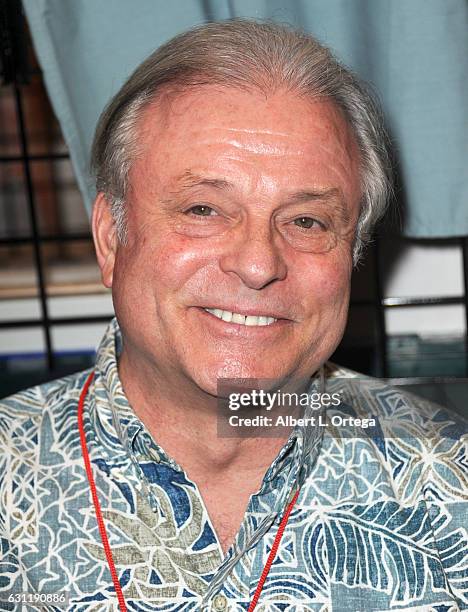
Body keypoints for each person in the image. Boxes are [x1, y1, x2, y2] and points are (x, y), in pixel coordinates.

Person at [0, 19, 467, 612]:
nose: (256, 264)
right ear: (112, 239)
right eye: (204, 209)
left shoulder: (453, 478)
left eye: (307, 221)